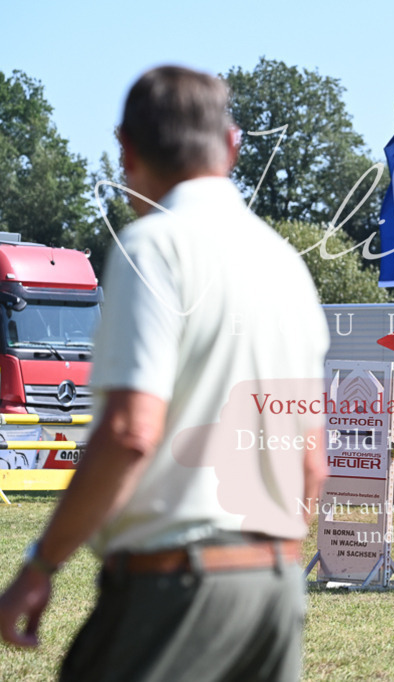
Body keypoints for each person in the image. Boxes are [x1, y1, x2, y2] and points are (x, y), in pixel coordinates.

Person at [0, 66, 329, 681]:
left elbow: (129, 433)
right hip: (276, 585)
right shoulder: (287, 266)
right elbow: (312, 459)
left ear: (125, 150)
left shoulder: (151, 246)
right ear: (231, 145)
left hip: (177, 586)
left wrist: (40, 567)